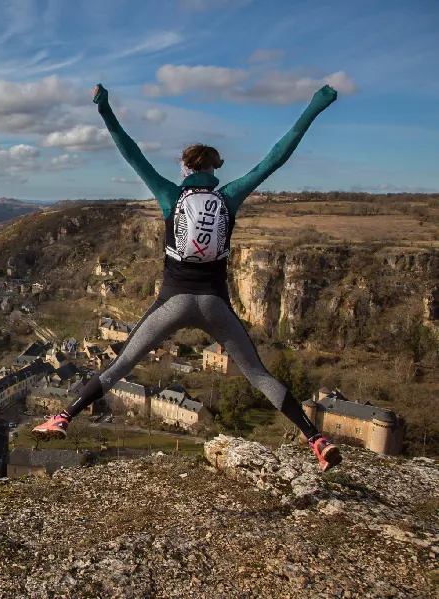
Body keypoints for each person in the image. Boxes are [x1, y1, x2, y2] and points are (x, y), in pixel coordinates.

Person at [33, 83, 342, 471]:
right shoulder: (229, 197)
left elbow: (131, 152)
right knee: (259, 375)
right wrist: (315, 106)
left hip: (172, 302)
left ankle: (63, 417)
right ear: (213, 171)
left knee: (120, 366)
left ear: (185, 168)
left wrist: (106, 110)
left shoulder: (169, 196)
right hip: (215, 305)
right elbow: (276, 156)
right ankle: (315, 438)